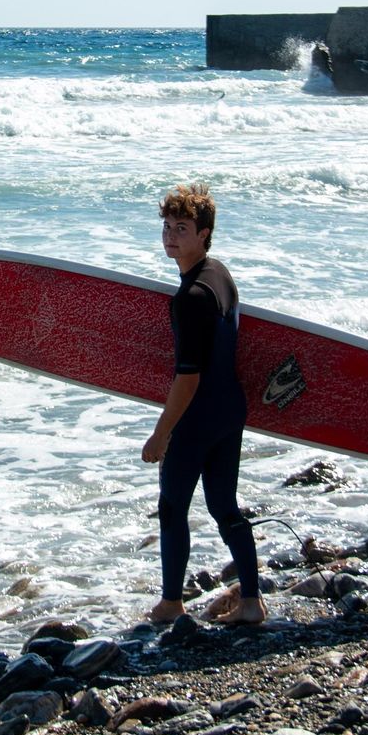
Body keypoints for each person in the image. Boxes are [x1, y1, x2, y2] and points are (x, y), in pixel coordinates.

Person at [141, 184, 266, 625]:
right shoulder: (220, 274)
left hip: (197, 420)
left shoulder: (190, 298)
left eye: (182, 228)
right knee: (224, 508)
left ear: (204, 233)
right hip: (230, 410)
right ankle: (251, 601)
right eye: (167, 227)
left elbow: (188, 378)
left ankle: (171, 602)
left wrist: (162, 432)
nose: (170, 236)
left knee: (173, 507)